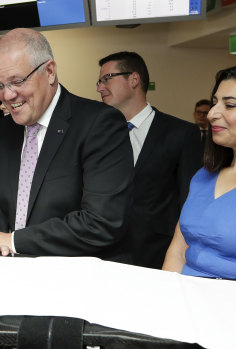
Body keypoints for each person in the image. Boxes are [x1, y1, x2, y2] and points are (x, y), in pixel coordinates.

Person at [0, 28, 134, 260]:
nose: (7, 96)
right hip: (8, 271)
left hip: (72, 278)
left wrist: (14, 241)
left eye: (17, 81)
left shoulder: (100, 124)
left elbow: (101, 222)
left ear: (49, 71)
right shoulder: (4, 130)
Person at [97, 52, 202, 268]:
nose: (100, 87)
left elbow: (189, 201)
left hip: (156, 254)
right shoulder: (98, 134)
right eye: (99, 81)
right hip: (102, 253)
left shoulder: (180, 133)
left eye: (107, 78)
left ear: (133, 80)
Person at [163, 66, 236, 279]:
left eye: (230, 105)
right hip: (185, 299)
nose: (212, 114)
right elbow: (178, 251)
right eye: (215, 103)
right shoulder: (204, 176)